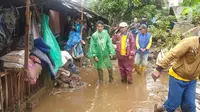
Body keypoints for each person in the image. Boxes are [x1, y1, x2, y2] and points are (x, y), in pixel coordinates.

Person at [152, 36, 200, 112]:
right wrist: (158, 69)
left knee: (190, 105)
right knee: (173, 104)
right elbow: (172, 54)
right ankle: (159, 109)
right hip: (177, 77)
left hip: (192, 80)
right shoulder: (189, 42)